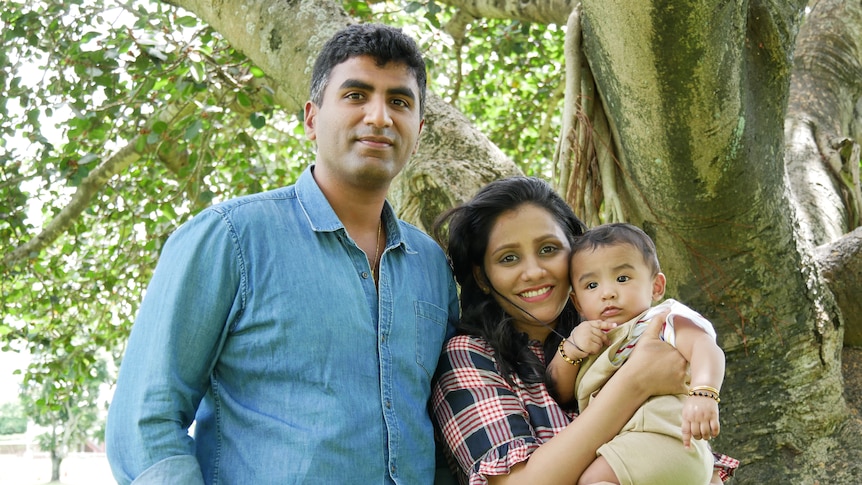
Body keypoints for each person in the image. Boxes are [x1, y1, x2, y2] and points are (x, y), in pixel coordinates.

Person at [106, 23, 459, 484]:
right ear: (312, 118)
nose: (379, 116)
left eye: (399, 101)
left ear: (418, 126)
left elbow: (444, 423)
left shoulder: (432, 264)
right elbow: (144, 423)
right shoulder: (229, 239)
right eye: (356, 95)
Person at [430, 177, 737, 485]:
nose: (535, 271)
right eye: (509, 258)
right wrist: (634, 382)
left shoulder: (620, 332)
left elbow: (691, 455)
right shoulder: (470, 356)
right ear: (483, 278)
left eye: (549, 249)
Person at [547, 222, 728, 485]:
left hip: (666, 440)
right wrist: (572, 348)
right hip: (625, 448)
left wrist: (704, 392)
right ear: (577, 303)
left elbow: (705, 347)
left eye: (622, 279)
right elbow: (560, 392)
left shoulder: (661, 320)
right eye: (592, 285)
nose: (607, 293)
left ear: (656, 286)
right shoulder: (590, 340)